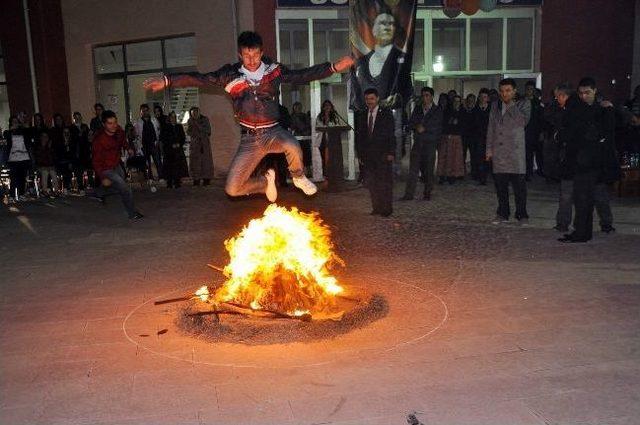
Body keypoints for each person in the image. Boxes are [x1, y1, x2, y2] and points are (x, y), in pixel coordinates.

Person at [144, 31, 353, 202]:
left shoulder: (274, 71)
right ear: (239, 54)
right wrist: (168, 80)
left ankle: (298, 177)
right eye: (246, 55)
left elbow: (303, 75)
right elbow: (198, 79)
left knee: (292, 146)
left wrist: (332, 68)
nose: (251, 60)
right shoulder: (229, 75)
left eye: (255, 55)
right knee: (232, 189)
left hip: (273, 131)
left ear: (261, 52)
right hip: (249, 140)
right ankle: (264, 183)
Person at [558, 78, 617, 243]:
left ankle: (582, 233)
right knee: (582, 199)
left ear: (594, 91)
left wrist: (608, 110)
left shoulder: (599, 110)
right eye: (581, 93)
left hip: (592, 162)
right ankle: (582, 232)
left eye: (587, 93)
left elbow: (607, 131)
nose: (584, 96)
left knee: (586, 199)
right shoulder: (580, 108)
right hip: (579, 161)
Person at [486, 78, 531, 225]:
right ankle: (502, 213)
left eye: (508, 91)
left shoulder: (524, 104)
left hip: (515, 152)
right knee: (501, 187)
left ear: (514, 91)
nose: (504, 94)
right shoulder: (495, 105)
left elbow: (522, 122)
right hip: (499, 152)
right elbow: (491, 128)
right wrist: (489, 149)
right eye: (502, 91)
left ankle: (521, 214)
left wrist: (510, 105)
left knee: (519, 188)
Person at [91, 110, 143, 220]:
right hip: (106, 168)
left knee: (119, 187)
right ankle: (132, 213)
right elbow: (96, 161)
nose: (113, 126)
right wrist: (102, 177)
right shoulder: (99, 140)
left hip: (116, 164)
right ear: (104, 124)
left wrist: (128, 148)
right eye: (110, 123)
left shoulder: (119, 130)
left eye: (115, 122)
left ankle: (98, 193)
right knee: (125, 189)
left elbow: (123, 141)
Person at [356, 88, 395, 217]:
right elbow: (360, 137)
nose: (369, 101)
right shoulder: (362, 114)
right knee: (372, 183)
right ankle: (376, 207)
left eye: (372, 99)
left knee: (384, 182)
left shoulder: (386, 114)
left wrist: (391, 152)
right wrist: (360, 154)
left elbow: (391, 135)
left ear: (377, 98)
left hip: (383, 154)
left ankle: (386, 209)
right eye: (367, 99)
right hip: (368, 156)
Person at [400, 86, 443, 201]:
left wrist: (425, 128)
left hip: (430, 144)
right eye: (423, 96)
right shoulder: (418, 109)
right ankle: (409, 194)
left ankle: (427, 192)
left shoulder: (437, 110)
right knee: (413, 170)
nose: (424, 98)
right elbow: (411, 123)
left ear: (432, 97)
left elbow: (438, 127)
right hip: (418, 144)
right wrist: (415, 126)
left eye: (427, 95)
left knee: (428, 170)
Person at [313, 100, 345, 190]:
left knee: (333, 159)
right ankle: (326, 178)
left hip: (333, 141)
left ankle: (335, 178)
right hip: (323, 141)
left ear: (331, 107)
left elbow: (337, 125)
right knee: (326, 160)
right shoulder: (320, 117)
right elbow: (318, 127)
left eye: (329, 106)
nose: (327, 108)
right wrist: (326, 119)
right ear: (323, 107)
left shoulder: (335, 116)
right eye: (325, 106)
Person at [3, 116, 34, 200]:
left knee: (22, 177)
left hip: (23, 157)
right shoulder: (8, 132)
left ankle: (21, 194)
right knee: (13, 177)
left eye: (16, 121)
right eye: (13, 122)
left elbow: (30, 134)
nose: (15, 123)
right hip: (13, 158)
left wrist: (24, 125)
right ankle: (12, 195)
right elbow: (5, 137)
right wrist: (11, 130)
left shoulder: (23, 131)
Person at [437, 95, 465, 184]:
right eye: (455, 101)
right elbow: (445, 124)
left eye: (458, 101)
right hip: (446, 136)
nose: (457, 103)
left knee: (455, 158)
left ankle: (452, 176)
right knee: (444, 157)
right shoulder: (447, 111)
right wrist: (452, 122)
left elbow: (463, 125)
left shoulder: (462, 112)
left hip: (457, 137)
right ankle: (442, 175)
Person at [186, 106, 214, 186]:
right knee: (195, 163)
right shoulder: (190, 121)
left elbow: (208, 131)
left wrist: (198, 125)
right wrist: (192, 133)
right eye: (193, 113)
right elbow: (189, 131)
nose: (194, 114)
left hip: (204, 145)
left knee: (206, 162)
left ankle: (206, 179)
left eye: (196, 112)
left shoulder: (205, 119)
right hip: (195, 145)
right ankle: (196, 179)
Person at [134, 104, 162, 181]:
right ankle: (150, 178)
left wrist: (157, 141)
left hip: (153, 144)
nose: (145, 112)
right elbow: (137, 136)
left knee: (158, 161)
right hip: (144, 145)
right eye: (143, 111)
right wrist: (139, 146)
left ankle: (161, 177)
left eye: (146, 110)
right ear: (141, 112)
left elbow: (158, 131)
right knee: (147, 163)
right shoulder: (137, 123)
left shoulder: (154, 120)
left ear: (148, 111)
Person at [161, 111, 189, 188]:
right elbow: (164, 138)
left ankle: (177, 181)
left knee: (178, 166)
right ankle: (169, 182)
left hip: (178, 150)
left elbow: (182, 137)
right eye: (172, 117)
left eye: (175, 117)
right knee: (169, 166)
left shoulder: (179, 126)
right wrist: (171, 145)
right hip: (169, 150)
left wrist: (179, 144)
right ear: (169, 118)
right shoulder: (165, 127)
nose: (173, 119)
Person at [524, 81, 544, 180]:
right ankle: (528, 173)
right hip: (526, 132)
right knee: (528, 154)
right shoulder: (521, 102)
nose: (529, 91)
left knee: (539, 153)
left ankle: (540, 170)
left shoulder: (537, 102)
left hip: (536, 132)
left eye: (531, 89)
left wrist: (541, 132)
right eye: (528, 89)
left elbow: (541, 118)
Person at [473, 88, 492, 185]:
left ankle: (487, 175)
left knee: (488, 158)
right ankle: (481, 177)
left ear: (488, 98)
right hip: (478, 138)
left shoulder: (492, 110)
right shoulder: (475, 109)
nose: (483, 99)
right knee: (479, 158)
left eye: (485, 97)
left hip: (489, 138)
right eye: (481, 97)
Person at [71, 111, 92, 189]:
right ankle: (80, 186)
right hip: (78, 151)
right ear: (74, 119)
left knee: (88, 168)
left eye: (79, 118)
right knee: (79, 170)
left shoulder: (85, 126)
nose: (78, 119)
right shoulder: (72, 127)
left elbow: (89, 136)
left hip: (85, 150)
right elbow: (72, 139)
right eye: (76, 118)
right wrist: (79, 134)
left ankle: (89, 184)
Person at [33, 131, 58, 195]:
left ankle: (56, 190)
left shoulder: (50, 146)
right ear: (41, 138)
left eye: (46, 137)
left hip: (50, 165)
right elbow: (38, 158)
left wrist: (48, 149)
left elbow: (52, 158)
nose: (44, 138)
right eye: (43, 137)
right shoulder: (38, 147)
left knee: (53, 172)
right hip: (41, 166)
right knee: (45, 172)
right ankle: (44, 190)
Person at [460, 93, 477, 177]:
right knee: (462, 155)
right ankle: (461, 173)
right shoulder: (463, 110)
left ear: (474, 101)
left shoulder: (477, 110)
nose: (470, 102)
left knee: (474, 156)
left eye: (472, 100)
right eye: (469, 100)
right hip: (464, 136)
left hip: (473, 137)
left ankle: (474, 172)